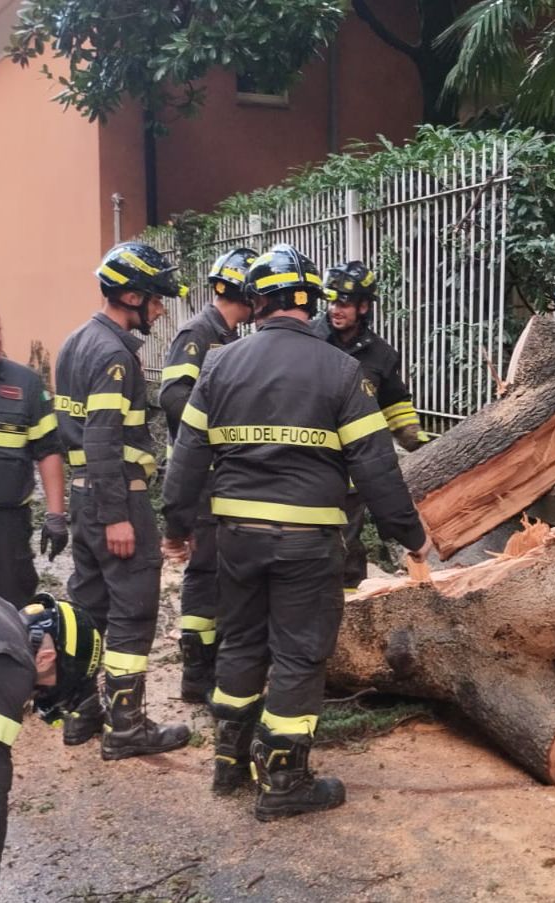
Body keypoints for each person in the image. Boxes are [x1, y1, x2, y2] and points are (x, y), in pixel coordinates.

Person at [162, 243, 431, 821]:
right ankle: (284, 780)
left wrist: (175, 525)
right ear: (310, 301)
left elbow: (186, 456)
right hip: (308, 543)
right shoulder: (341, 369)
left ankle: (229, 763)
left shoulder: (220, 364)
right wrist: (409, 535)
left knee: (240, 642)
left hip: (235, 535)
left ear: (257, 302)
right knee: (300, 654)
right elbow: (374, 466)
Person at [54, 242, 191, 758]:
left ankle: (81, 712)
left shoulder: (75, 342)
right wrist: (118, 517)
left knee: (89, 607)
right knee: (132, 612)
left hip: (84, 495)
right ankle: (127, 726)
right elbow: (102, 438)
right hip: (116, 499)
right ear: (130, 295)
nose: (158, 308)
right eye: (154, 298)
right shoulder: (114, 355)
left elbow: (72, 432)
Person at [158, 247, 256, 702]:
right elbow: (174, 395)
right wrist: (214, 434)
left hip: (221, 471)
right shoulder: (199, 332)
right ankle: (198, 674)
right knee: (203, 568)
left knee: (218, 567)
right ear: (246, 290)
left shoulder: (228, 336)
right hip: (203, 473)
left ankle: (212, 666)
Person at [0, 587, 102, 903]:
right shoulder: (10, 661)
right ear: (46, 659)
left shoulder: (1, 610)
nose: (36, 695)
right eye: (47, 689)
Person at [316, 261, 429, 591]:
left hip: (351, 477)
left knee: (349, 554)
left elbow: (395, 404)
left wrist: (417, 440)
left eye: (345, 303)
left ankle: (351, 622)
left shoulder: (381, 356)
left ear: (364, 306)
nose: (336, 309)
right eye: (333, 301)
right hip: (309, 467)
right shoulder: (309, 340)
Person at [0, 299, 67, 607]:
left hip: (6, 520)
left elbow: (49, 450)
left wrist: (56, 516)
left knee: (13, 604)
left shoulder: (24, 383)